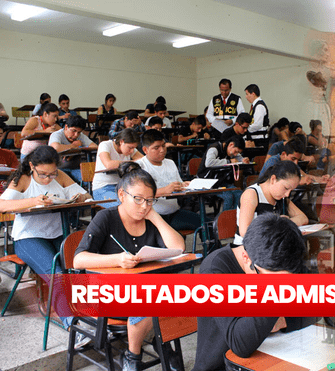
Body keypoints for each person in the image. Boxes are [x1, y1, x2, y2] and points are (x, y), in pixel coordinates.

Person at [74, 162, 185, 371]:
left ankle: (156, 340)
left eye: (150, 200)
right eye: (138, 199)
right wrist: (117, 260)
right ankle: (135, 354)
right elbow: (78, 260)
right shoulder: (106, 218)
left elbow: (178, 248)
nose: (144, 206)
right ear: (122, 195)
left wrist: (155, 216)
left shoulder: (149, 218)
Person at [193, 213, 317, 371]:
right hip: (223, 366)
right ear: (246, 257)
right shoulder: (215, 269)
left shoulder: (286, 260)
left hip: (274, 357)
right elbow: (240, 343)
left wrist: (283, 321)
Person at [0, 146, 90, 331]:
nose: (48, 178)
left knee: (83, 266)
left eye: (52, 173)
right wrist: (34, 201)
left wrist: (78, 197)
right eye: (43, 174)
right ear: (32, 165)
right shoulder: (23, 179)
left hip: (58, 234)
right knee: (56, 274)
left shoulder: (61, 177)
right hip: (28, 238)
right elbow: (2, 205)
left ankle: (94, 316)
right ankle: (74, 326)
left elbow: (87, 196)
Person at [136, 129, 202, 232]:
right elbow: (139, 196)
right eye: (156, 148)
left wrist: (185, 185)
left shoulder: (170, 163)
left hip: (174, 213)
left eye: (163, 146)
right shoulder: (140, 166)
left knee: (206, 224)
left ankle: (211, 248)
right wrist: (165, 190)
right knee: (174, 240)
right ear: (145, 150)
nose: (162, 150)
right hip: (153, 217)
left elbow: (178, 185)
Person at [234, 160, 307, 247]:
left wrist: (284, 222)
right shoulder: (252, 194)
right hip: (248, 248)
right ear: (273, 179)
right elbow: (245, 231)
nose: (287, 194)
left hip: (270, 246)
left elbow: (303, 218)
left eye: (291, 190)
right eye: (286, 188)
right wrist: (277, 225)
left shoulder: (281, 197)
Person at [93, 128, 143, 208]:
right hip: (103, 188)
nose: (132, 151)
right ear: (121, 141)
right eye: (130, 148)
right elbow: (109, 164)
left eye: (134, 148)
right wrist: (133, 163)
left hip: (123, 187)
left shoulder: (130, 148)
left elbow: (143, 161)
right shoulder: (105, 145)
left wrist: (134, 162)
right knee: (125, 206)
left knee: (140, 202)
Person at [197, 136, 248, 210]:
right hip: (206, 182)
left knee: (239, 193)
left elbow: (239, 158)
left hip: (219, 182)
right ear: (231, 145)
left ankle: (234, 218)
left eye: (238, 153)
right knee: (228, 197)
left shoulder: (230, 150)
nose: (235, 154)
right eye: (236, 151)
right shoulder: (214, 148)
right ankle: (223, 220)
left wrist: (244, 160)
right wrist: (228, 161)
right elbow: (209, 163)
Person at [48, 116, 98, 183]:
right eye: (73, 131)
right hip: (58, 169)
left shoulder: (80, 136)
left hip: (76, 168)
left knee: (90, 181)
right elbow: (56, 148)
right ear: (66, 127)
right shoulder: (56, 135)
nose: (76, 135)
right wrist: (74, 146)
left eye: (79, 132)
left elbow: (95, 147)